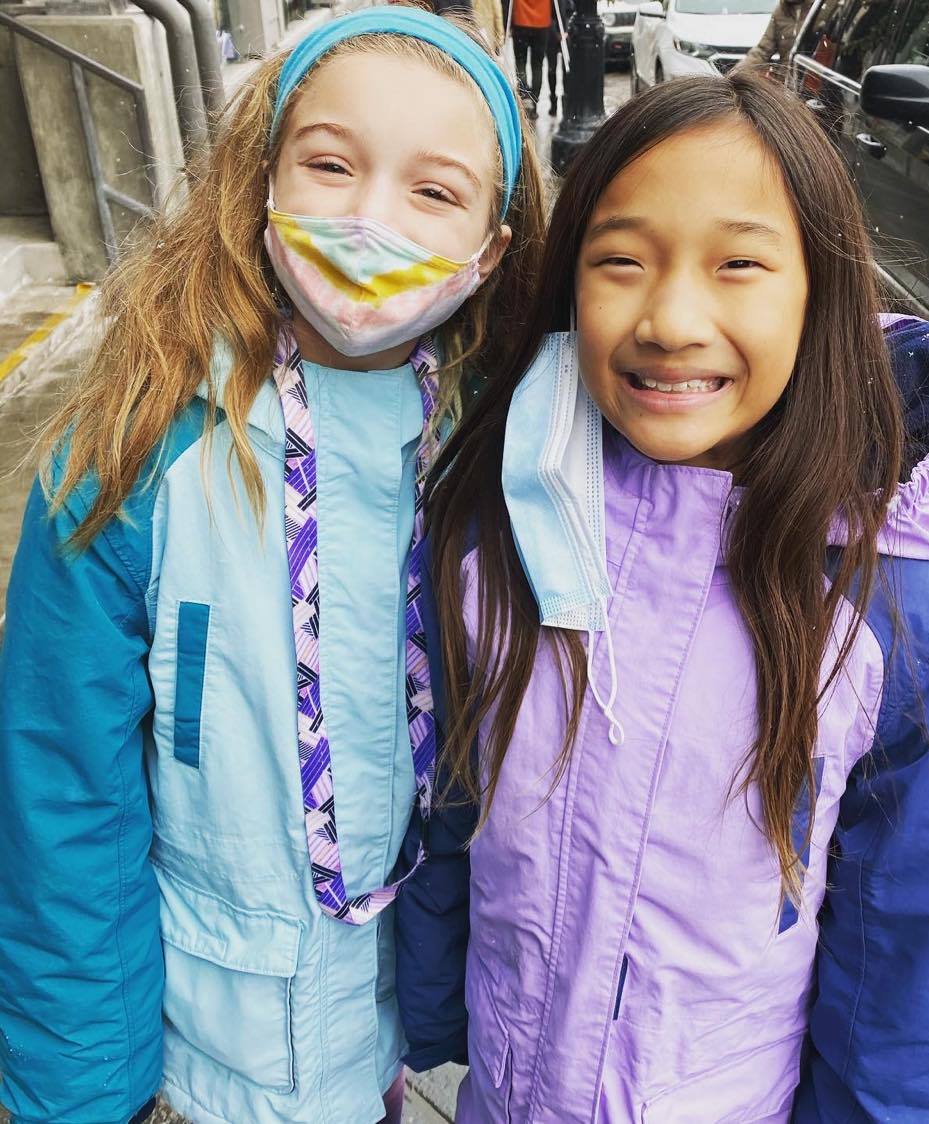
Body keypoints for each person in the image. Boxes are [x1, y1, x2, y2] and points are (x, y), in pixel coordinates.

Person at [396, 73, 929, 1121]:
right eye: (621, 262)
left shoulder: (895, 624)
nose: (671, 320)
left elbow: (903, 961)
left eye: (739, 265)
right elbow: (451, 798)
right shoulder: (502, 538)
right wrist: (432, 1004)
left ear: (819, 295)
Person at [0, 8, 545, 1124]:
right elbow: (62, 798)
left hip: (386, 1026)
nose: (369, 219)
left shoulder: (506, 452)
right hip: (194, 1055)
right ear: (261, 184)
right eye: (330, 166)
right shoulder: (132, 455)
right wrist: (80, 1091)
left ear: (491, 250)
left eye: (433, 191)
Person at [504, 0, 553, 117]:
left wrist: (506, 24)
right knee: (537, 65)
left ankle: (524, 95)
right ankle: (534, 102)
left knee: (520, 61)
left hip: (521, 19)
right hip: (542, 21)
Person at [737, 0, 814, 73]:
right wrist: (739, 71)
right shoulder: (781, 11)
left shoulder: (817, 8)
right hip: (786, 77)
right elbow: (763, 50)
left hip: (811, 76)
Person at [545, 0, 574, 117]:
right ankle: (555, 103)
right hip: (554, 31)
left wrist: (565, 30)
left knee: (564, 67)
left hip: (561, 31)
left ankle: (562, 103)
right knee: (553, 68)